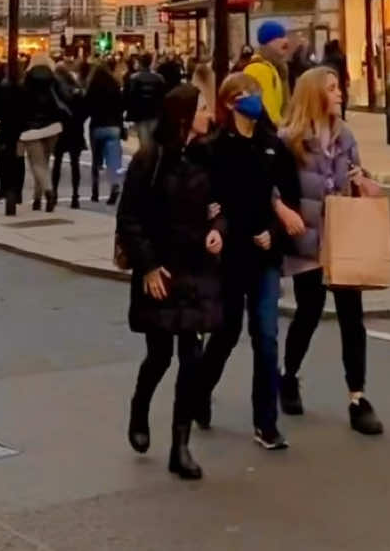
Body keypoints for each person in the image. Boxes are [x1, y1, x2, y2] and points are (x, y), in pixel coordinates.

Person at [118, 85, 224, 480]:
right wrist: (147, 266)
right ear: (183, 115)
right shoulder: (151, 160)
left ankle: (180, 446)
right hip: (161, 269)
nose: (209, 113)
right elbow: (129, 218)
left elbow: (220, 206)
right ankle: (140, 406)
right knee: (159, 355)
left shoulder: (206, 156)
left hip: (197, 267)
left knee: (191, 357)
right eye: (202, 107)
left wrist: (218, 229)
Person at [276, 66, 384, 436]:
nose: (341, 93)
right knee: (308, 311)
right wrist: (283, 212)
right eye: (333, 88)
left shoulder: (345, 137)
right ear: (315, 95)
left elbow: (359, 174)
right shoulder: (290, 141)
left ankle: (358, 396)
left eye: (340, 88)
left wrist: (364, 181)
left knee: (352, 316)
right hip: (307, 238)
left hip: (343, 237)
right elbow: (271, 186)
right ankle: (288, 376)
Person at [194, 73, 289, 450]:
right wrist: (213, 225)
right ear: (231, 102)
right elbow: (206, 198)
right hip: (230, 256)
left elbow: (284, 197)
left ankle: (266, 423)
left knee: (266, 336)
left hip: (264, 254)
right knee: (226, 332)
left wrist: (274, 232)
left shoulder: (271, 145)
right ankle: (201, 391)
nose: (256, 100)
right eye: (248, 95)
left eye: (258, 94)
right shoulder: (214, 147)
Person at [16, 54, 69, 212]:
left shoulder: (26, 81)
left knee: (36, 164)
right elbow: (66, 97)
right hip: (53, 126)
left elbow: (20, 105)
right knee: (44, 162)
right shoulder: (54, 80)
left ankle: (48, 191)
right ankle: (37, 199)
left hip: (31, 128)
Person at [85, 59, 125, 206]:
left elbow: (86, 106)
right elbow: (121, 106)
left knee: (96, 161)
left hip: (97, 125)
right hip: (113, 126)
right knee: (113, 161)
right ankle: (114, 185)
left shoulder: (93, 86)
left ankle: (95, 192)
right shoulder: (115, 85)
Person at [50, 61, 87, 209]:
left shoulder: (55, 88)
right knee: (75, 163)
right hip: (75, 129)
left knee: (57, 162)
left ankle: (54, 194)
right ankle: (75, 196)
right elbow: (85, 109)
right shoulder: (77, 88)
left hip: (61, 128)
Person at [244, 21, 291, 126]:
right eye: (279, 36)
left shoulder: (275, 68)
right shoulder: (259, 69)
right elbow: (268, 113)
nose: (285, 40)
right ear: (268, 43)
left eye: (285, 36)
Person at [125, 53, 167, 148]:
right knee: (152, 139)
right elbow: (162, 96)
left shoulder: (134, 78)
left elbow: (130, 97)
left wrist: (129, 113)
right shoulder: (159, 78)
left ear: (140, 63)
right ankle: (150, 159)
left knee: (144, 141)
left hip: (140, 113)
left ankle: (146, 159)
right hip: (155, 112)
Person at [322, 39, 350, 116]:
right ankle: (343, 114)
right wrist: (347, 78)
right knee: (342, 95)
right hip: (340, 77)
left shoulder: (326, 58)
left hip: (331, 78)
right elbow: (344, 69)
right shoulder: (341, 56)